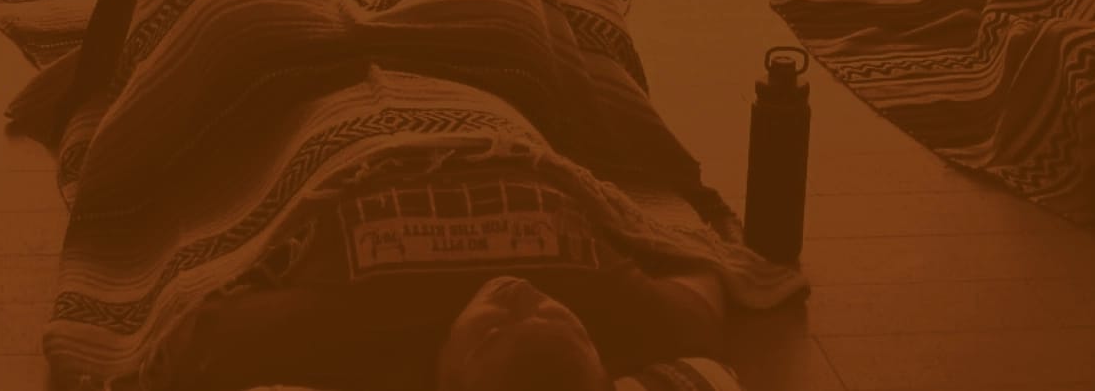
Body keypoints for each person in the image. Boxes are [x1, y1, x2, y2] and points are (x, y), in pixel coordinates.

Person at [169, 158, 727, 391]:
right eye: (560, 317)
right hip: (495, 107)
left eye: (493, 330)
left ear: (447, 375)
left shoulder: (340, 329)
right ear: (602, 357)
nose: (522, 291)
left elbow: (190, 331)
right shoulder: (620, 303)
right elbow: (704, 277)